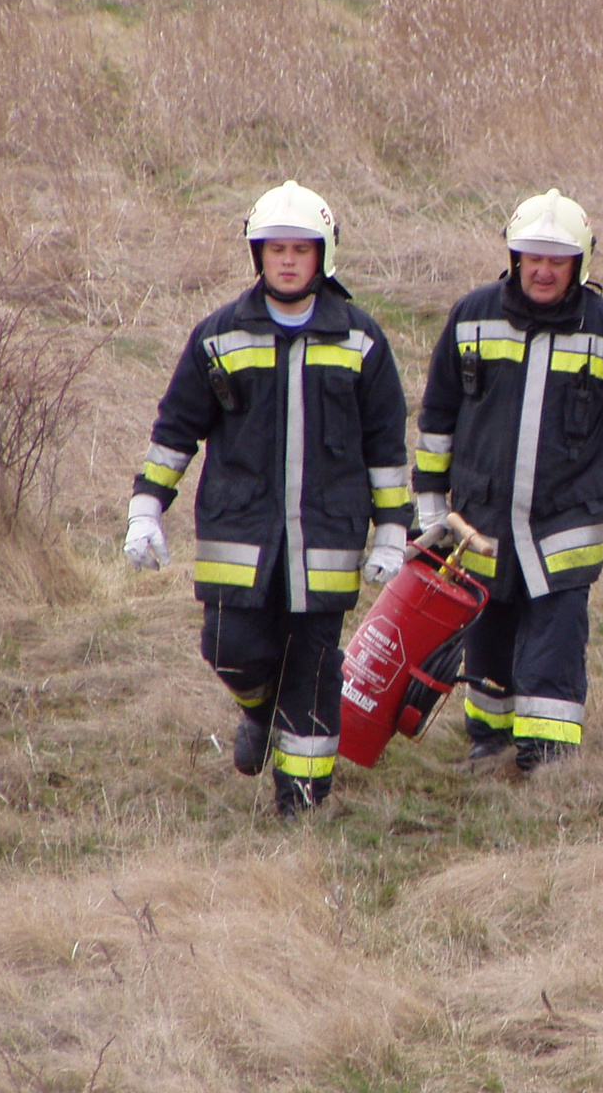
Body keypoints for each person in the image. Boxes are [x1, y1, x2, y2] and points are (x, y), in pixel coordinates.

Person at [123, 181, 411, 813]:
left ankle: (302, 802)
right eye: (274, 248)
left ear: (323, 256)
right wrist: (147, 506)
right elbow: (176, 431)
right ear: (257, 255)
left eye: (299, 249)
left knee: (313, 666)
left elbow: (387, 449)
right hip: (238, 534)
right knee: (229, 647)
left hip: (327, 539)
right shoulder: (219, 335)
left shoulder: (361, 341)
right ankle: (259, 709)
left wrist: (393, 533)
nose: (286, 260)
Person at [410, 188, 603, 772]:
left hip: (564, 523)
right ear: (515, 258)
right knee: (488, 632)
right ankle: (489, 741)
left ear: (580, 263)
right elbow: (437, 418)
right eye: (532, 257)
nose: (543, 270)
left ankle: (547, 760)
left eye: (557, 260)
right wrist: (430, 501)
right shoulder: (473, 317)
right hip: (481, 521)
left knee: (555, 636)